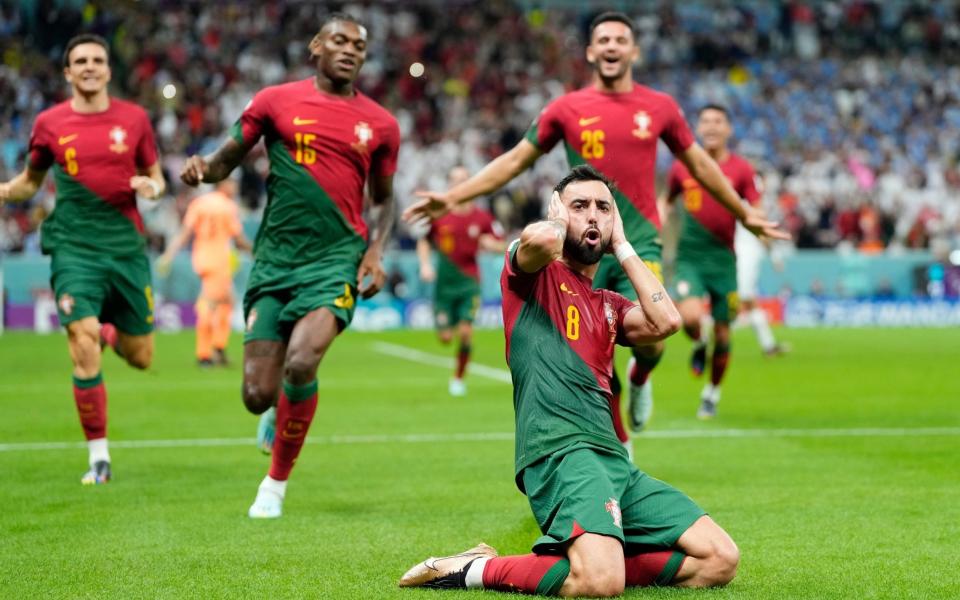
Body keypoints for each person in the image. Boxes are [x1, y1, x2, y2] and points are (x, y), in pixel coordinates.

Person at [405, 11, 786, 456]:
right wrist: (454, 197)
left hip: (637, 242)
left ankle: (643, 379)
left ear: (633, 51)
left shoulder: (660, 107)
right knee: (594, 351)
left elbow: (700, 163)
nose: (611, 46)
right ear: (590, 51)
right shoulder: (566, 109)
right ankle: (620, 444)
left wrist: (743, 211)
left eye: (620, 39)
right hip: (580, 250)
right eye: (602, 39)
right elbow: (514, 161)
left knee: (655, 335)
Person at [399, 165, 738, 596]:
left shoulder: (608, 304)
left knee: (719, 559)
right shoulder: (530, 276)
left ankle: (592, 559)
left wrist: (622, 243)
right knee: (601, 583)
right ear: (558, 211)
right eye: (581, 206)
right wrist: (559, 218)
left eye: (603, 208)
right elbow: (539, 241)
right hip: (561, 453)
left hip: (614, 462)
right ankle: (477, 569)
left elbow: (668, 321)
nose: (592, 216)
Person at [179, 12, 399, 518]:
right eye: (339, 41)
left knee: (303, 361)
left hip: (335, 258)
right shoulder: (275, 101)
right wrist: (201, 169)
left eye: (359, 46)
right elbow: (226, 157)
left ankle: (274, 485)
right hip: (275, 259)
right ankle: (276, 408)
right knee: (257, 394)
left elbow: (384, 200)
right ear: (316, 47)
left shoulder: (382, 124)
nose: (350, 51)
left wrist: (376, 251)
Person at [0, 34, 165, 485]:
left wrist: (153, 188)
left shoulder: (134, 119)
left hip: (127, 249)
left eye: (97, 59)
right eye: (80, 61)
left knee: (142, 356)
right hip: (74, 249)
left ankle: (112, 329)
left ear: (109, 70)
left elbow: (155, 176)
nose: (89, 66)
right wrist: (2, 191)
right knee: (81, 337)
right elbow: (30, 182)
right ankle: (99, 459)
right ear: (68, 73)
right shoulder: (50, 123)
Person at [662, 105, 759, 418]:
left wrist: (762, 226)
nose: (712, 127)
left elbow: (755, 206)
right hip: (690, 257)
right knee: (688, 318)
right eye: (705, 121)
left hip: (724, 261)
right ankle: (697, 341)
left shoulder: (742, 170)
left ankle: (711, 394)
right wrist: (656, 224)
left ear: (728, 129)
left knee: (724, 333)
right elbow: (666, 202)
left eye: (718, 121)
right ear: (697, 129)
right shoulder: (682, 167)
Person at [415, 166, 505, 396]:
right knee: (445, 338)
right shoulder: (439, 215)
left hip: (469, 283)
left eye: (464, 180)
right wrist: (425, 265)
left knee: (465, 332)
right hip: (444, 286)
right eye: (455, 180)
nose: (459, 184)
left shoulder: (483, 218)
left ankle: (458, 378)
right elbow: (424, 241)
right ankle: (448, 328)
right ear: (449, 185)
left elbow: (502, 244)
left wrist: (490, 244)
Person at [158, 178, 252, 367]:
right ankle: (204, 355)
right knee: (208, 305)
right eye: (232, 184)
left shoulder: (199, 204)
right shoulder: (227, 206)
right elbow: (238, 238)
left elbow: (185, 233)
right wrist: (255, 251)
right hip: (219, 260)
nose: (235, 188)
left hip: (202, 258)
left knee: (227, 302)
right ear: (223, 185)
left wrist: (169, 254)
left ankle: (218, 347)